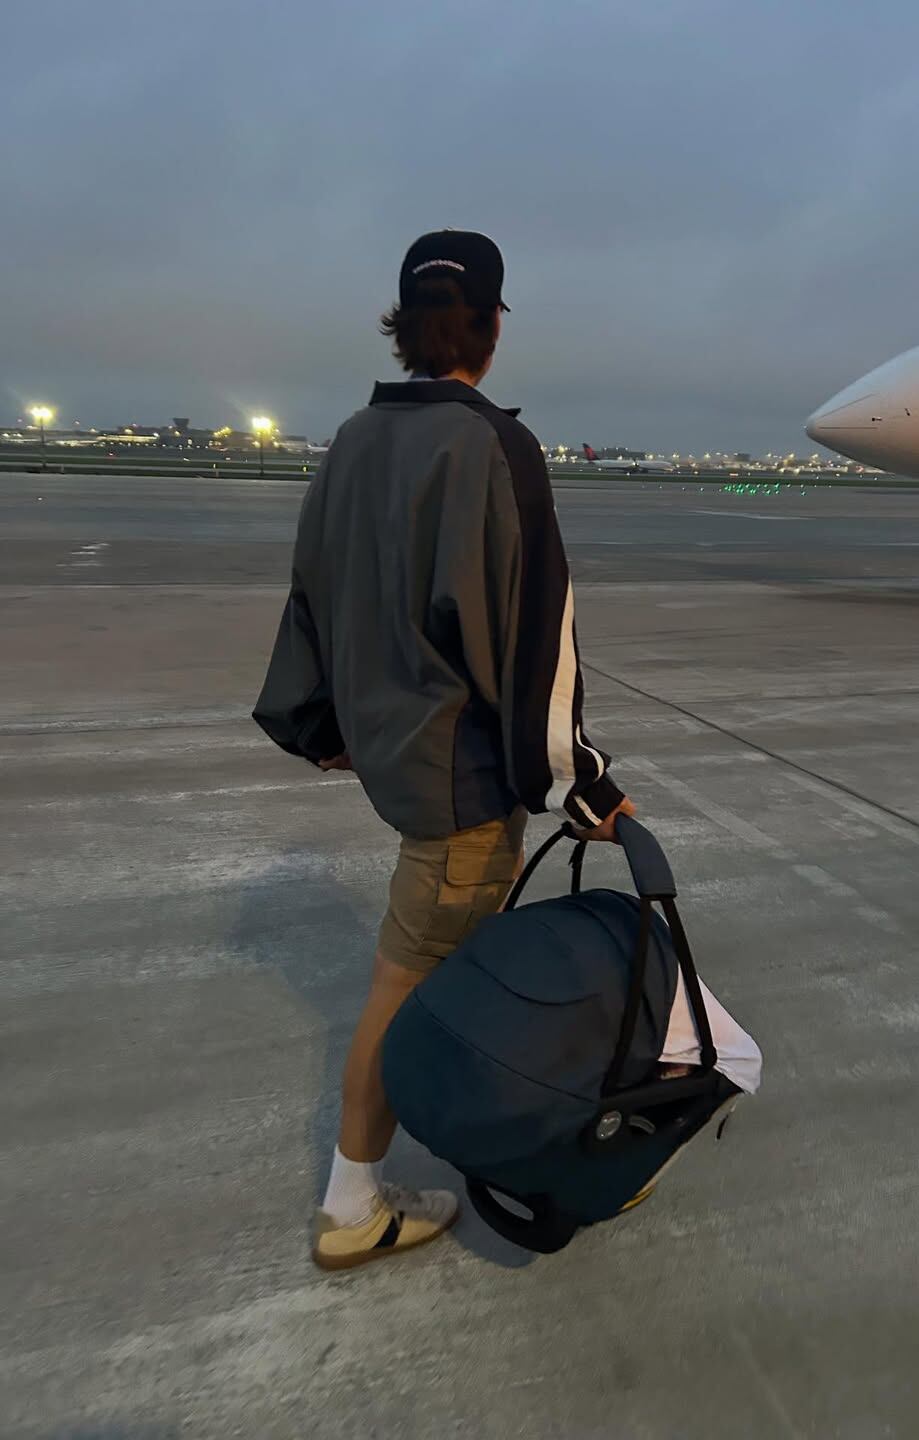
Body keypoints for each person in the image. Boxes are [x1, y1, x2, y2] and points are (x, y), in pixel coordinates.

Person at [253, 230, 633, 1270]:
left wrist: (319, 723)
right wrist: (579, 783)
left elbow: (314, 597)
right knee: (408, 984)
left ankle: (486, 1146)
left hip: (395, 762)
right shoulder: (496, 447)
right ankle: (352, 1205)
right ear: (492, 327)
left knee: (444, 973)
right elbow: (532, 642)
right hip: (462, 784)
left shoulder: (353, 436)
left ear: (408, 327)